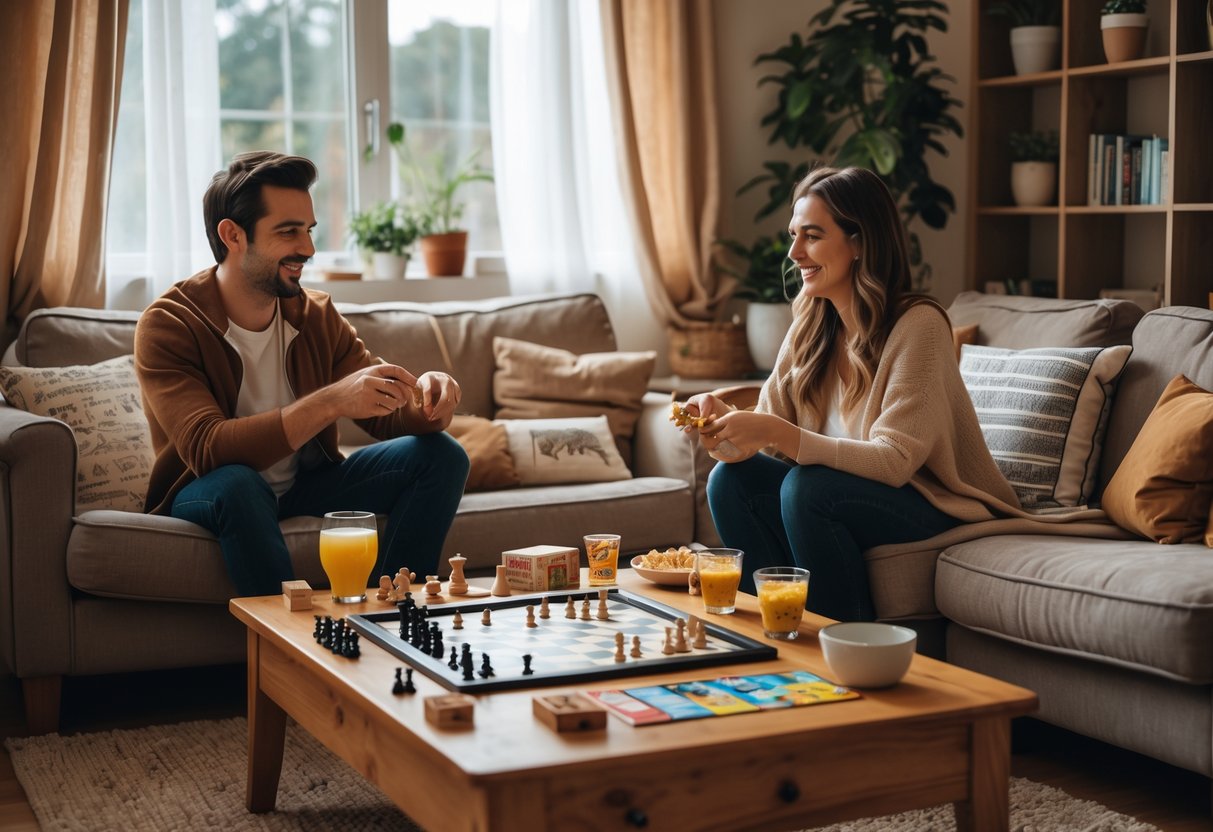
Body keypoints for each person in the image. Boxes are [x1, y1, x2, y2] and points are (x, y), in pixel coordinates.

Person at [684, 166, 1021, 622]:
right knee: (729, 480)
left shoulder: (919, 325)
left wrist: (776, 432)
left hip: (927, 503)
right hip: (841, 496)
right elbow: (767, 432)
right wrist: (721, 420)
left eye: (812, 236)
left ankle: (843, 640)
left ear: (859, 242)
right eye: (793, 235)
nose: (794, 252)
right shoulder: (810, 325)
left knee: (808, 487)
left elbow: (894, 460)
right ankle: (770, 629)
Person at [134, 151, 469, 597]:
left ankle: (391, 614)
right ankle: (289, 649)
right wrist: (331, 401)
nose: (308, 249)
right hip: (208, 492)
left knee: (441, 455)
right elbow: (208, 449)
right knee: (239, 483)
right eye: (288, 231)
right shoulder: (169, 324)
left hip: (304, 487)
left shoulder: (314, 314)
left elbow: (385, 415)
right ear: (233, 235)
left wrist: (428, 402)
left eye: (308, 230)